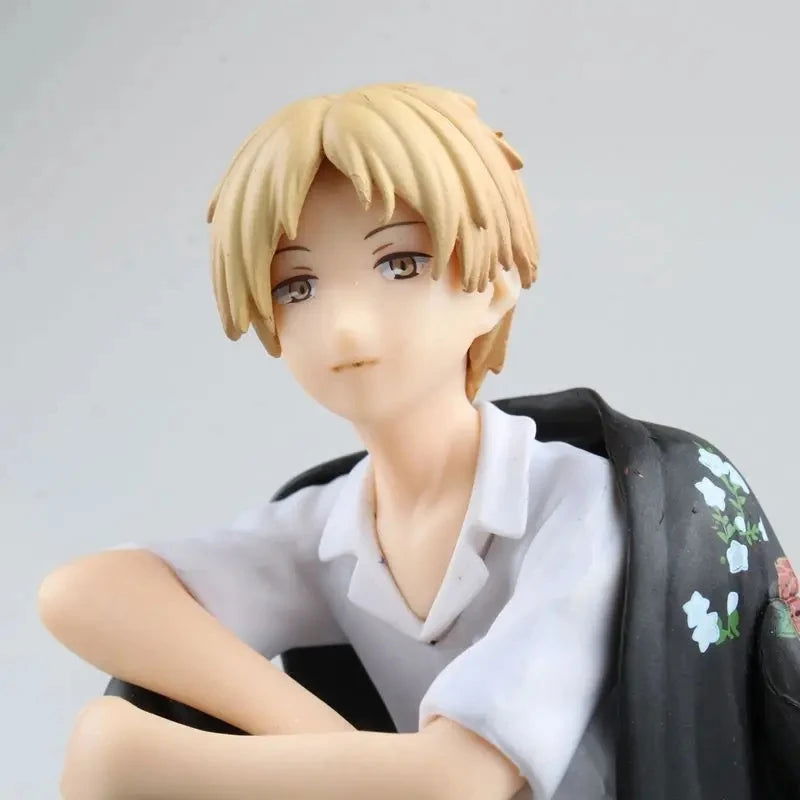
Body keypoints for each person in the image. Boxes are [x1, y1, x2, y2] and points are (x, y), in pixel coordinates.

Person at [37, 83, 798, 800]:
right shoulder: (329, 526)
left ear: (493, 288)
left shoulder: (582, 505)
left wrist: (138, 760)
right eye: (296, 285)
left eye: (400, 264)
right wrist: (313, 730)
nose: (344, 326)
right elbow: (85, 593)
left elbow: (459, 781)